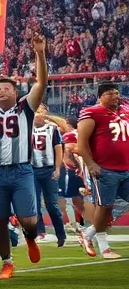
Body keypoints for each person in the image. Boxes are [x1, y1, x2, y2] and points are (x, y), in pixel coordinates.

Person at [0, 37, 48, 279]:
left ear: (16, 92)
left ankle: (30, 235)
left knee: (29, 219)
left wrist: (40, 54)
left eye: (5, 88)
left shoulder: (26, 108)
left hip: (21, 169)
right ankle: (7, 261)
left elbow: (42, 82)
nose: (0, 91)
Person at [75, 83, 129, 259]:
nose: (114, 96)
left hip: (126, 167)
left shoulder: (125, 110)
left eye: (115, 92)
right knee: (104, 207)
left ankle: (88, 234)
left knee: (107, 208)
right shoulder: (92, 113)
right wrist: (90, 164)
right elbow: (81, 144)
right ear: (100, 96)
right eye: (109, 93)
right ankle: (103, 246)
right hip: (105, 168)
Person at [30, 105, 66, 246]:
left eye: (40, 111)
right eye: (35, 111)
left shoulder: (52, 129)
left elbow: (58, 149)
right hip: (31, 169)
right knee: (34, 203)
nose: (37, 114)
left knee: (52, 204)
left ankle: (60, 233)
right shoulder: (26, 129)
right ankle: (40, 231)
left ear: (45, 113)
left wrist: (57, 168)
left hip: (48, 169)